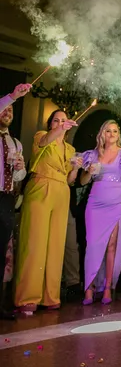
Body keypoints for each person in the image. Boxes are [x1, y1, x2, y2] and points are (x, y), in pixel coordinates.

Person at [15, 108, 81, 313]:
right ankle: (27, 297)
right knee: (35, 243)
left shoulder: (70, 149)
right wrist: (59, 130)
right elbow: (44, 143)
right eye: (56, 121)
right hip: (41, 188)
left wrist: (76, 168)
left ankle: (50, 296)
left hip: (62, 193)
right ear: (50, 124)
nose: (60, 124)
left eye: (63, 121)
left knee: (55, 246)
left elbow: (70, 180)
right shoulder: (41, 137)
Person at [79, 120, 121, 304]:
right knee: (91, 245)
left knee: (112, 246)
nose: (112, 133)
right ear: (102, 134)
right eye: (108, 130)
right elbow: (83, 182)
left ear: (118, 135)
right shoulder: (92, 155)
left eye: (115, 131)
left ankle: (107, 288)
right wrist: (89, 172)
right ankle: (89, 288)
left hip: (117, 203)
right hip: (96, 203)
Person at [0, 84, 29, 319]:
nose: (7, 113)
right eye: (4, 109)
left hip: (6, 200)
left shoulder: (15, 143)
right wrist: (13, 96)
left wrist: (19, 168)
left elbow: (19, 176)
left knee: (2, 252)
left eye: (11, 111)